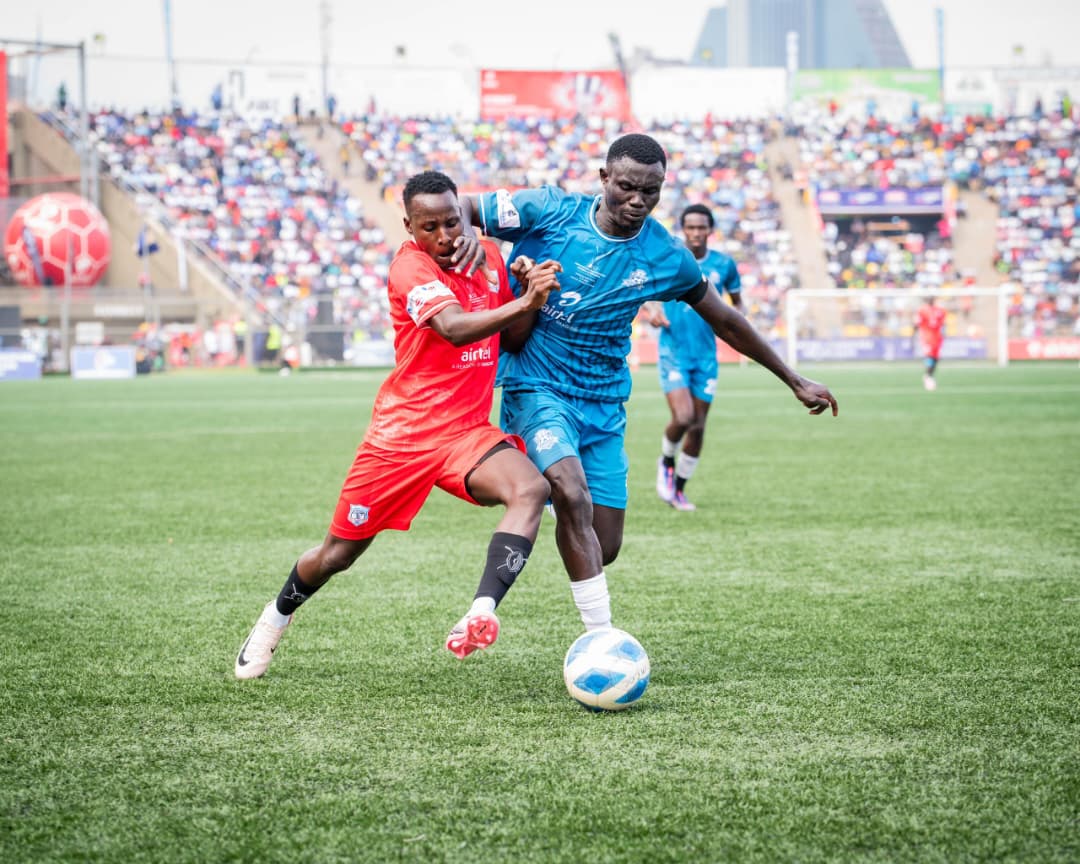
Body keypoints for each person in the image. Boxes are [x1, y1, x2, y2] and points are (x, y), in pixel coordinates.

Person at [457, 133, 838, 634]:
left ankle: (564, 507)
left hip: (604, 402)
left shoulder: (664, 254)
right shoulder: (550, 210)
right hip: (537, 388)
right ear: (604, 178)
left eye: (651, 191)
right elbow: (464, 205)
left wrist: (792, 377)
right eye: (627, 188)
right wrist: (469, 240)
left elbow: (724, 318)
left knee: (605, 544)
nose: (637, 201)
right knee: (571, 493)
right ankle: (601, 638)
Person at [234, 170, 563, 679]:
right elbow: (452, 329)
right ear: (409, 227)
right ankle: (273, 619)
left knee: (531, 489)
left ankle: (480, 614)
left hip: (467, 432)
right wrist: (526, 302)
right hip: (402, 437)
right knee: (337, 554)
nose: (444, 236)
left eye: (452, 222)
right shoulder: (408, 269)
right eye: (429, 227)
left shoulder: (490, 259)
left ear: (464, 215)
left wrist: (524, 290)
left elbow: (514, 339)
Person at [647, 204, 743, 512]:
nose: (696, 233)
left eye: (702, 228)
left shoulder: (724, 265)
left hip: (706, 356)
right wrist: (652, 310)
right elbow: (644, 290)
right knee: (684, 417)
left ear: (710, 230)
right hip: (673, 351)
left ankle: (678, 490)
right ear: (683, 229)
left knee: (699, 427)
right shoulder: (670, 258)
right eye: (690, 227)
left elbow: (737, 304)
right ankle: (666, 461)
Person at [915, 295, 947, 390]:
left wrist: (943, 333)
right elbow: (917, 323)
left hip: (937, 337)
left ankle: (929, 375)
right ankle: (928, 377)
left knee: (935, 358)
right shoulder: (922, 311)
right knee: (929, 356)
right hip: (927, 336)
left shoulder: (940, 310)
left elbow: (942, 323)